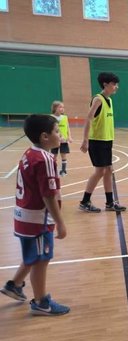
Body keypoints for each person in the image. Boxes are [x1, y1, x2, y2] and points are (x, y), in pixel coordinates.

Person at [0, 115, 70, 316]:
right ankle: (41, 302)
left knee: (34, 254)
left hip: (24, 216)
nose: (61, 134)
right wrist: (60, 222)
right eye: (57, 131)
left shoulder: (30, 153)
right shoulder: (45, 159)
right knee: (41, 259)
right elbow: (48, 195)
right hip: (38, 219)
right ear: (45, 136)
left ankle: (14, 285)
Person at [78, 72, 126, 213]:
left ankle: (110, 203)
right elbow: (89, 118)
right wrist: (85, 140)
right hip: (97, 141)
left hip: (106, 141)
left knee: (109, 170)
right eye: (114, 84)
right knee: (100, 171)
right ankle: (85, 201)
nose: (116, 87)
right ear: (105, 84)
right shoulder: (98, 99)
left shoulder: (109, 100)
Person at [50, 101, 73, 177]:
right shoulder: (51, 118)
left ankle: (63, 170)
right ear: (55, 108)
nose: (62, 109)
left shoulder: (65, 117)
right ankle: (53, 170)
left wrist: (69, 136)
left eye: (63, 107)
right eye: (60, 107)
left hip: (64, 141)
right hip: (54, 140)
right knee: (54, 156)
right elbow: (54, 128)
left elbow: (67, 127)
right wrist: (59, 136)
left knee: (63, 155)